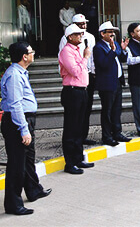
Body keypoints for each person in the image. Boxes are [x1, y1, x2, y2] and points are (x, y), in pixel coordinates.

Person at [1, 42, 51, 215]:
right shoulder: (14, 75)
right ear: (24, 56)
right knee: (17, 164)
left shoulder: (20, 72)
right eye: (31, 52)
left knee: (28, 159)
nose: (33, 54)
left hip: (24, 119)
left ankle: (33, 189)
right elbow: (15, 105)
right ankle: (13, 205)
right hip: (17, 122)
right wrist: (23, 129)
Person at [59, 24, 96, 175]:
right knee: (71, 127)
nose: (81, 36)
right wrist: (86, 57)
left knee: (79, 126)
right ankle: (70, 162)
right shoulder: (66, 51)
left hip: (81, 91)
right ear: (70, 37)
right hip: (72, 91)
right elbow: (75, 71)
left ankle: (78, 157)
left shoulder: (77, 50)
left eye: (81, 34)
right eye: (78, 34)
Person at [94, 21, 131, 146]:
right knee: (107, 111)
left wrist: (123, 50)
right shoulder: (98, 47)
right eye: (109, 32)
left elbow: (122, 58)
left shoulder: (114, 43)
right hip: (106, 84)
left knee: (117, 109)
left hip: (117, 81)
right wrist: (113, 51)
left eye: (113, 32)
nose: (112, 34)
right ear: (102, 33)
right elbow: (103, 64)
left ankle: (117, 132)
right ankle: (107, 136)